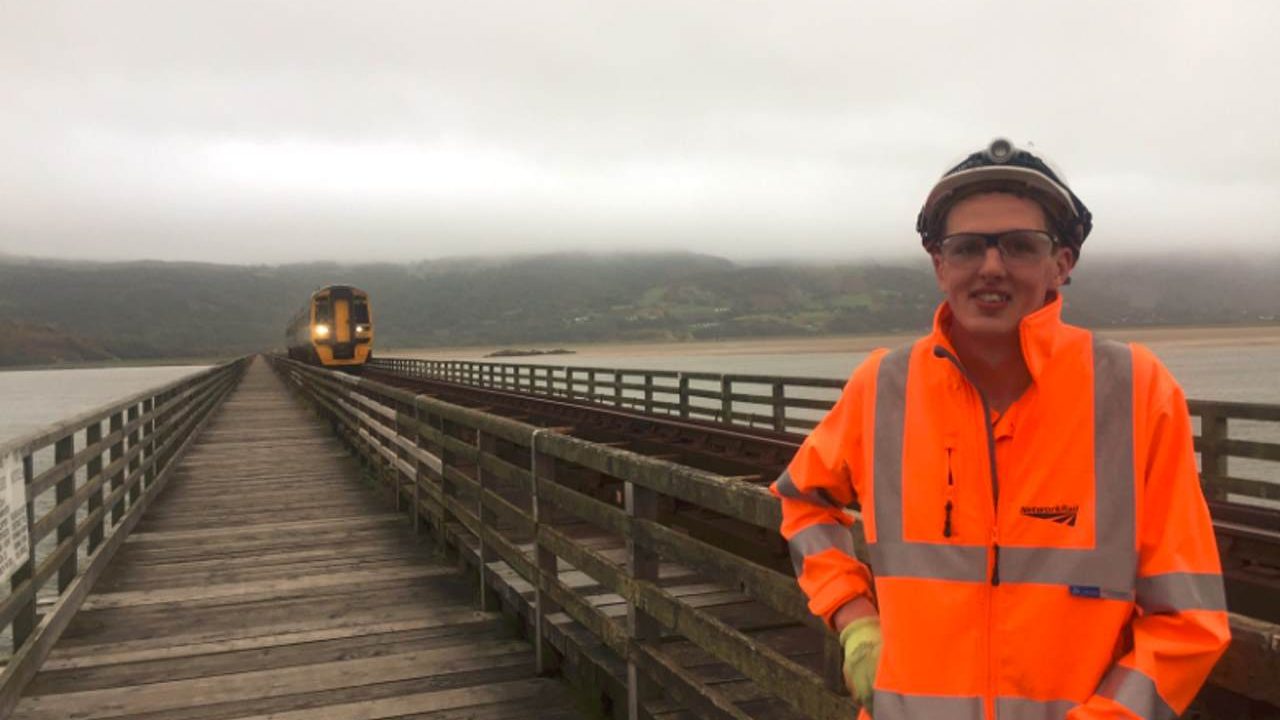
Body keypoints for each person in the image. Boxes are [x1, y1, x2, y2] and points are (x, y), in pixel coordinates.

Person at [772, 139, 1230, 719]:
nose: (991, 266)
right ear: (940, 265)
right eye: (966, 248)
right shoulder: (882, 386)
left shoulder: (1135, 391)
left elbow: (1189, 621)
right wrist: (853, 615)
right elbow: (802, 502)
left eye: (1019, 245)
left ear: (1061, 263)